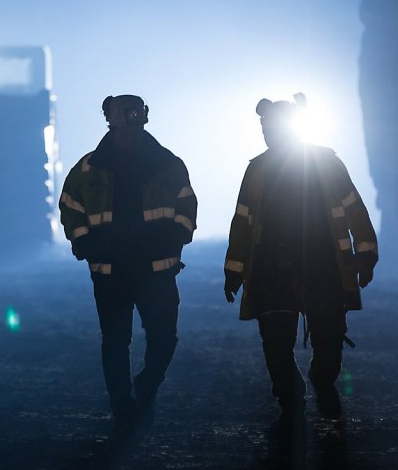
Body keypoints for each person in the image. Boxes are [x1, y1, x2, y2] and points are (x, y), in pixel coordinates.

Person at [224, 94, 378, 427]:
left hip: (322, 267)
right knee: (276, 343)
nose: (268, 132)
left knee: (330, 337)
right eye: (264, 126)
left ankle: (322, 380)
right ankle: (289, 397)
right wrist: (233, 271)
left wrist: (366, 252)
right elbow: (242, 222)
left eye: (273, 125)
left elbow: (354, 209)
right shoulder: (257, 171)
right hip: (271, 271)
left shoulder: (325, 163)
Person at [59, 94, 197, 429]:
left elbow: (186, 208)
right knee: (116, 340)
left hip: (156, 269)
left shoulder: (169, 164)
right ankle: (122, 404)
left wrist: (174, 240)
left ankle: (147, 384)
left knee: (164, 339)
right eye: (126, 119)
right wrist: (84, 242)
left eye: (136, 118)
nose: (130, 129)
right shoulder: (88, 168)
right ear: (112, 120)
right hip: (111, 270)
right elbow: (70, 205)